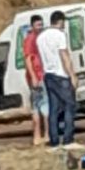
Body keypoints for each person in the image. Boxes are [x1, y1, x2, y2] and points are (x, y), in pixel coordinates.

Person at [37, 10, 80, 150]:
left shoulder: (41, 37)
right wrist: (72, 75)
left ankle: (54, 139)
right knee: (70, 105)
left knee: (53, 109)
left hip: (48, 75)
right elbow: (64, 55)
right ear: (60, 21)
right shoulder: (60, 35)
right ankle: (68, 138)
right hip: (61, 75)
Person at [23, 14, 49, 146]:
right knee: (37, 107)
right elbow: (28, 59)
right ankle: (37, 136)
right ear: (32, 26)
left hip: (44, 75)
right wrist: (33, 76)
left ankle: (47, 135)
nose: (40, 27)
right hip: (36, 77)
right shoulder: (30, 39)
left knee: (45, 107)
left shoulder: (42, 37)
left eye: (41, 24)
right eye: (38, 25)